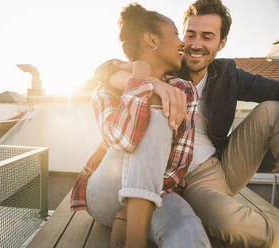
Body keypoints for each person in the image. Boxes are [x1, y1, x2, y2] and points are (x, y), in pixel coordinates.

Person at [91, 0, 279, 247]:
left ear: (221, 43)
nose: (195, 44)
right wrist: (151, 83)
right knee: (229, 222)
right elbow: (104, 70)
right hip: (183, 177)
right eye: (189, 34)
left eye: (207, 37)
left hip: (221, 166)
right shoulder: (169, 68)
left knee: (273, 110)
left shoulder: (228, 73)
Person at [71, 3, 211, 248]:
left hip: (158, 192)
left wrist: (131, 209)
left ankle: (134, 219)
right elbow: (121, 140)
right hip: (105, 193)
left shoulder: (184, 91)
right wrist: (147, 82)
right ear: (151, 40)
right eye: (176, 34)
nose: (183, 43)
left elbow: (177, 167)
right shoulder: (106, 88)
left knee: (188, 231)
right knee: (155, 107)